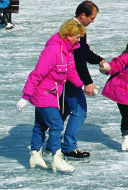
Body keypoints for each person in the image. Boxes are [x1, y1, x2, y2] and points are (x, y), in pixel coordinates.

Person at [17, 18, 86, 173]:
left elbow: (70, 71)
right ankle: (56, 157)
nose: (79, 40)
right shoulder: (53, 51)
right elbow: (36, 74)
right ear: (68, 35)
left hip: (54, 93)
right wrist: (25, 97)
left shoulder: (68, 50)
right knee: (56, 124)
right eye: (77, 37)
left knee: (40, 125)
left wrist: (81, 85)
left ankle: (35, 154)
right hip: (44, 94)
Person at [60, 1, 109, 160]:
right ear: (82, 15)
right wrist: (88, 82)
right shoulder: (75, 30)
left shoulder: (74, 27)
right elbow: (79, 60)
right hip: (70, 78)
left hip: (65, 77)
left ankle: (53, 142)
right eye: (91, 18)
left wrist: (99, 60)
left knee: (65, 109)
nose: (92, 21)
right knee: (79, 111)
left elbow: (85, 52)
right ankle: (69, 147)